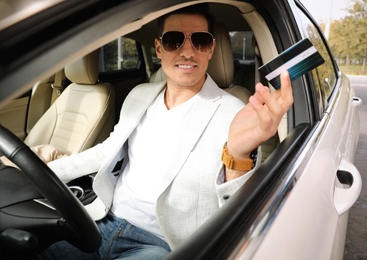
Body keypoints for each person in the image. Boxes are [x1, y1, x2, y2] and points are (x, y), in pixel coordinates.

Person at [38, 4, 293, 260]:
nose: (187, 52)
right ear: (159, 48)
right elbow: (106, 151)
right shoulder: (139, 95)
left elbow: (240, 212)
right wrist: (41, 174)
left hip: (158, 245)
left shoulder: (237, 113)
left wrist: (237, 156)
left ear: (211, 49)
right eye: (174, 40)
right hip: (103, 222)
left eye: (200, 41)